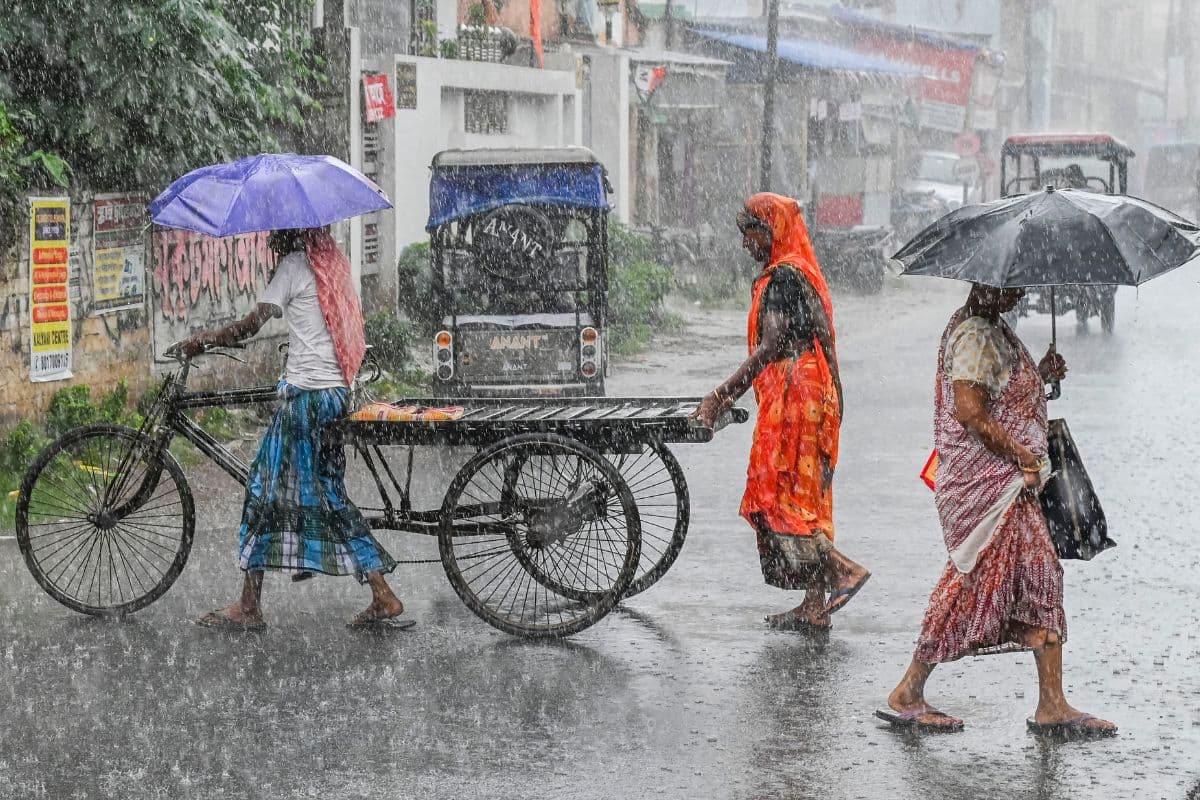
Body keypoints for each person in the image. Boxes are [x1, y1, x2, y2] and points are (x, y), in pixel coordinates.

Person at [877, 284, 1116, 736]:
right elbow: (970, 410)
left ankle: (1052, 703)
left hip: (1011, 487)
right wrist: (1021, 455)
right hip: (993, 486)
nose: (1021, 291)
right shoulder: (976, 334)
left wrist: (1038, 377)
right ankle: (908, 690)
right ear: (985, 281)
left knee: (1040, 576)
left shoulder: (990, 328)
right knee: (974, 581)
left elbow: (998, 394)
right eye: (1011, 284)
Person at [182, 228, 405, 630]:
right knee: (328, 494)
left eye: (274, 236)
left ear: (289, 235)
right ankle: (380, 592)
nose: (269, 243)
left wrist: (204, 339)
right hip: (335, 395)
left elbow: (251, 325)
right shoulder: (330, 266)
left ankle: (250, 606)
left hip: (305, 400)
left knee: (263, 491)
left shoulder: (293, 266)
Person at [696, 192, 871, 630]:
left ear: (769, 231)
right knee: (805, 494)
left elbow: (770, 347)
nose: (744, 244)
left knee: (776, 493)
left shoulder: (783, 280)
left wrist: (722, 394)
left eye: (749, 233)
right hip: (813, 391)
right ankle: (814, 607)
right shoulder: (800, 274)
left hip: (797, 394)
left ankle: (843, 571)